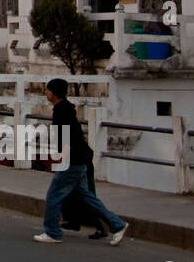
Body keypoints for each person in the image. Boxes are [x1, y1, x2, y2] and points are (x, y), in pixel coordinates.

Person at [34, 79, 129, 245]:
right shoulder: (66, 108)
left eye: (48, 90)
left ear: (54, 93)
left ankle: (53, 232)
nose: (46, 93)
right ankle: (117, 224)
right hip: (80, 160)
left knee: (54, 196)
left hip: (72, 161)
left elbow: (68, 138)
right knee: (87, 198)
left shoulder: (61, 111)